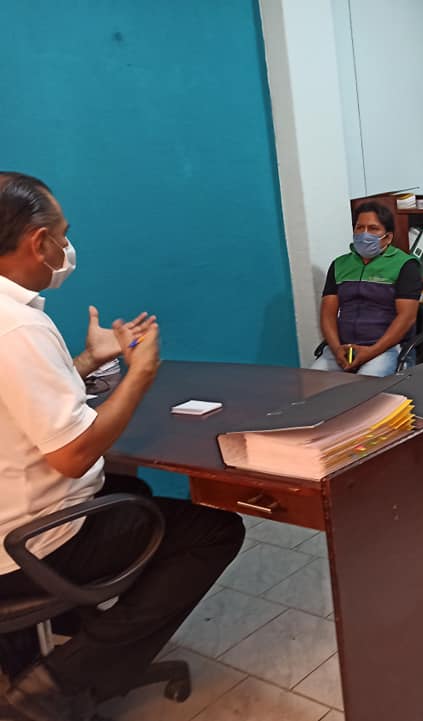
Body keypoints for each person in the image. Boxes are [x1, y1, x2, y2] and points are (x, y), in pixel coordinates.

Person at [0, 172, 245, 719]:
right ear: (38, 241)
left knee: (132, 490)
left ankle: (64, 641)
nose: (67, 248)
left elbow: (19, 405)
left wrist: (88, 361)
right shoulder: (16, 327)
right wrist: (140, 374)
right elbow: (73, 455)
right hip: (28, 545)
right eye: (63, 234)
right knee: (215, 531)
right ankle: (58, 684)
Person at [311, 201, 423, 377]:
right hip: (343, 348)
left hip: (384, 349)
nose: (364, 234)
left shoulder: (405, 265)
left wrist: (370, 352)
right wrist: (336, 348)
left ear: (387, 237)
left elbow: (407, 318)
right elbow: (327, 314)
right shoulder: (339, 265)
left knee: (365, 387)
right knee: (312, 382)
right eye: (359, 227)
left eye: (373, 228)